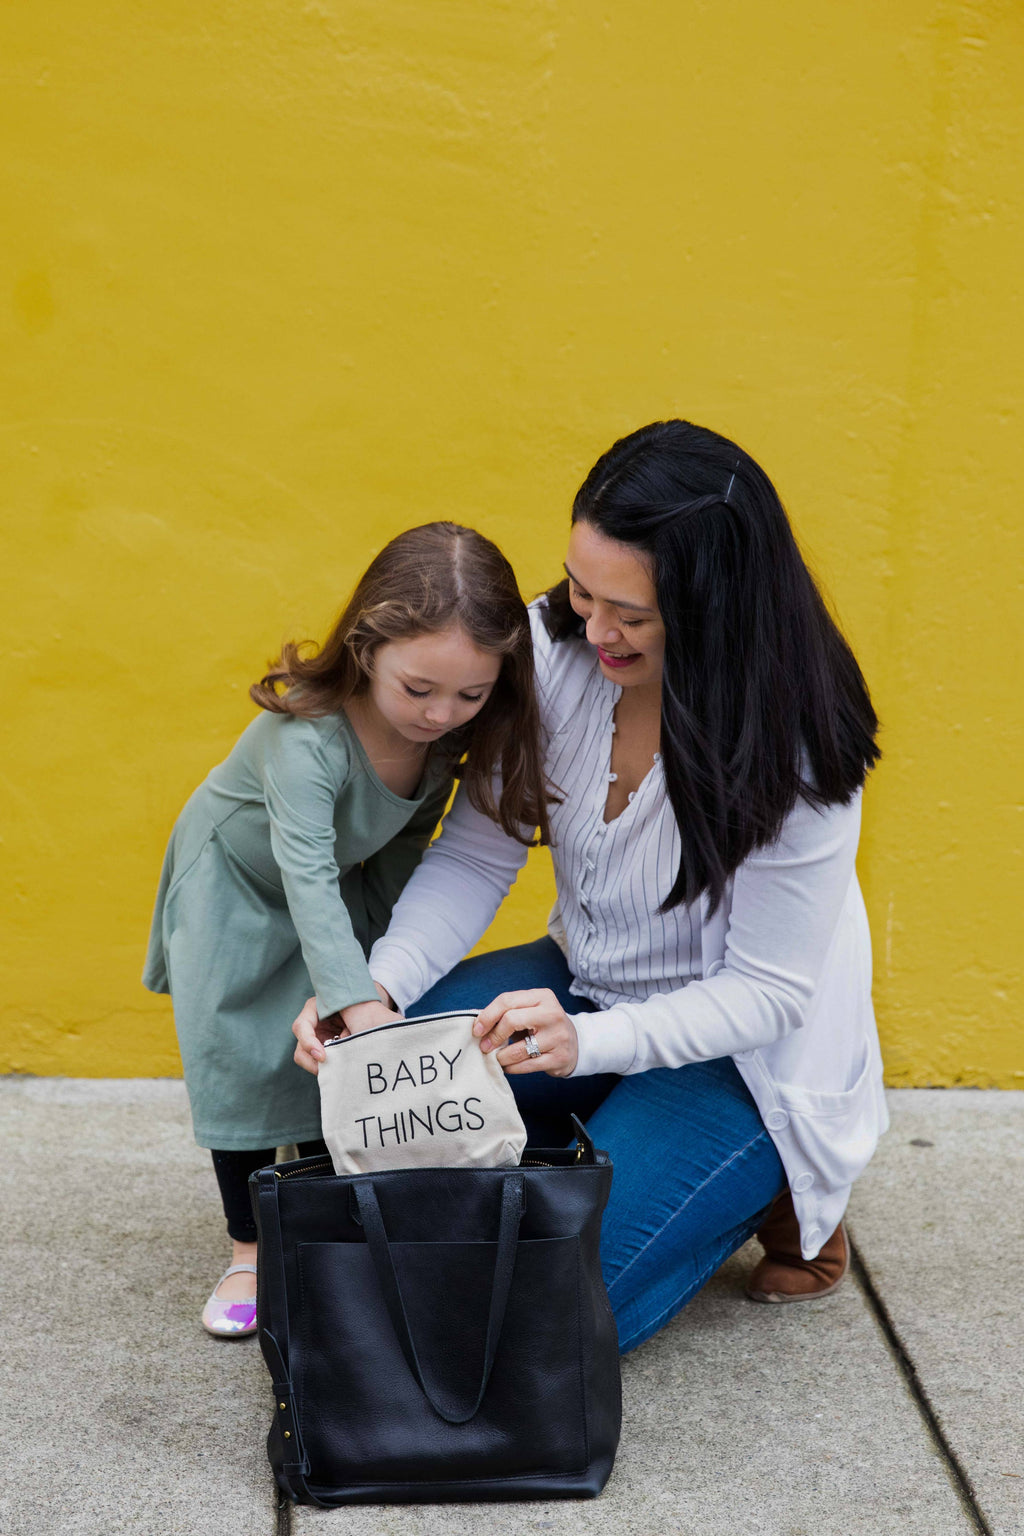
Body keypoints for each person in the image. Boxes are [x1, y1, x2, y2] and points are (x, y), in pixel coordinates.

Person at [293, 420, 885, 1355]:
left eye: (632, 614)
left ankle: (770, 1183)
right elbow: (477, 856)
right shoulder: (549, 649)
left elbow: (768, 995)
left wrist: (587, 1045)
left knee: (536, 1320)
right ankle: (603, 1140)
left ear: (713, 605)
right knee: (364, 1109)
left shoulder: (798, 743)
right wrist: (372, 990)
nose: (595, 629)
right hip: (587, 986)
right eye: (581, 588)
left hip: (744, 1058)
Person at [143, 522, 551, 1337]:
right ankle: (248, 1250)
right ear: (366, 649)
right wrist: (359, 1004)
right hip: (236, 887)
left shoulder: (445, 743)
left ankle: (318, 1215)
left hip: (339, 886)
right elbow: (301, 868)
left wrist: (376, 976)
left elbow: (403, 847)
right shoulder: (305, 739)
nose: (441, 713)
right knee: (244, 1065)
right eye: (419, 688)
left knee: (321, 1053)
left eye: (470, 696)